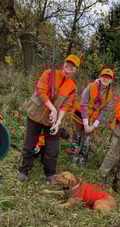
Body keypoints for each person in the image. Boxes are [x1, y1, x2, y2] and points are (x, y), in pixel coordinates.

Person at [19, 55, 79, 183]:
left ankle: (50, 173)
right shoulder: (48, 74)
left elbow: (66, 105)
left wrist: (58, 122)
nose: (69, 66)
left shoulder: (72, 86)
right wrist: (53, 109)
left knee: (53, 149)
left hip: (52, 120)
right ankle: (24, 170)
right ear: (63, 64)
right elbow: (41, 92)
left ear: (75, 70)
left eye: (72, 65)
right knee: (30, 143)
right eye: (68, 63)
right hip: (36, 115)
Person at [69, 68, 115, 166]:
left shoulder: (110, 94)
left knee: (87, 141)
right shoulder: (91, 87)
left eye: (108, 78)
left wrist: (94, 126)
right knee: (77, 137)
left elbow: (103, 111)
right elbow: (83, 104)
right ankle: (73, 157)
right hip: (80, 115)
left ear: (111, 80)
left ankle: (82, 159)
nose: (106, 79)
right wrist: (86, 124)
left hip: (93, 120)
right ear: (100, 77)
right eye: (104, 76)